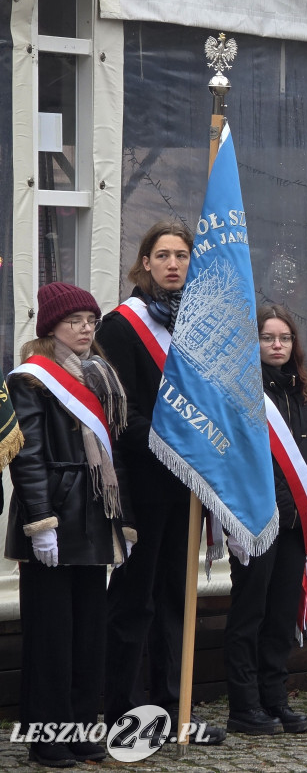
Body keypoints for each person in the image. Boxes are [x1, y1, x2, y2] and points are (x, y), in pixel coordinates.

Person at [99, 221, 226, 743]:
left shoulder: (200, 326)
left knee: (179, 596)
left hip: (188, 485)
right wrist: (177, 444)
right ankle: (122, 711)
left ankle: (175, 708)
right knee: (136, 600)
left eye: (182, 255)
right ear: (144, 263)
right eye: (163, 255)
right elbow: (117, 415)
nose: (174, 264)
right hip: (143, 485)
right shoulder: (120, 326)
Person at [5, 283, 131, 767]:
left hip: (94, 516)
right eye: (74, 319)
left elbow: (112, 457)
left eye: (90, 320)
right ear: (51, 326)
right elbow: (29, 457)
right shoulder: (31, 379)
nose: (85, 328)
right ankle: (46, 736)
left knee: (88, 631)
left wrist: (124, 522)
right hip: (56, 514)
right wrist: (41, 523)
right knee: (51, 635)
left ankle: (79, 726)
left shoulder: (99, 374)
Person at [223, 306, 307, 735]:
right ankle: (244, 706)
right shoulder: (240, 395)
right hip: (255, 520)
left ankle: (275, 698)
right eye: (268, 338)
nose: (277, 345)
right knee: (250, 613)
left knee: (283, 614)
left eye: (284, 338)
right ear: (255, 344)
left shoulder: (304, 392)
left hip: (296, 522)